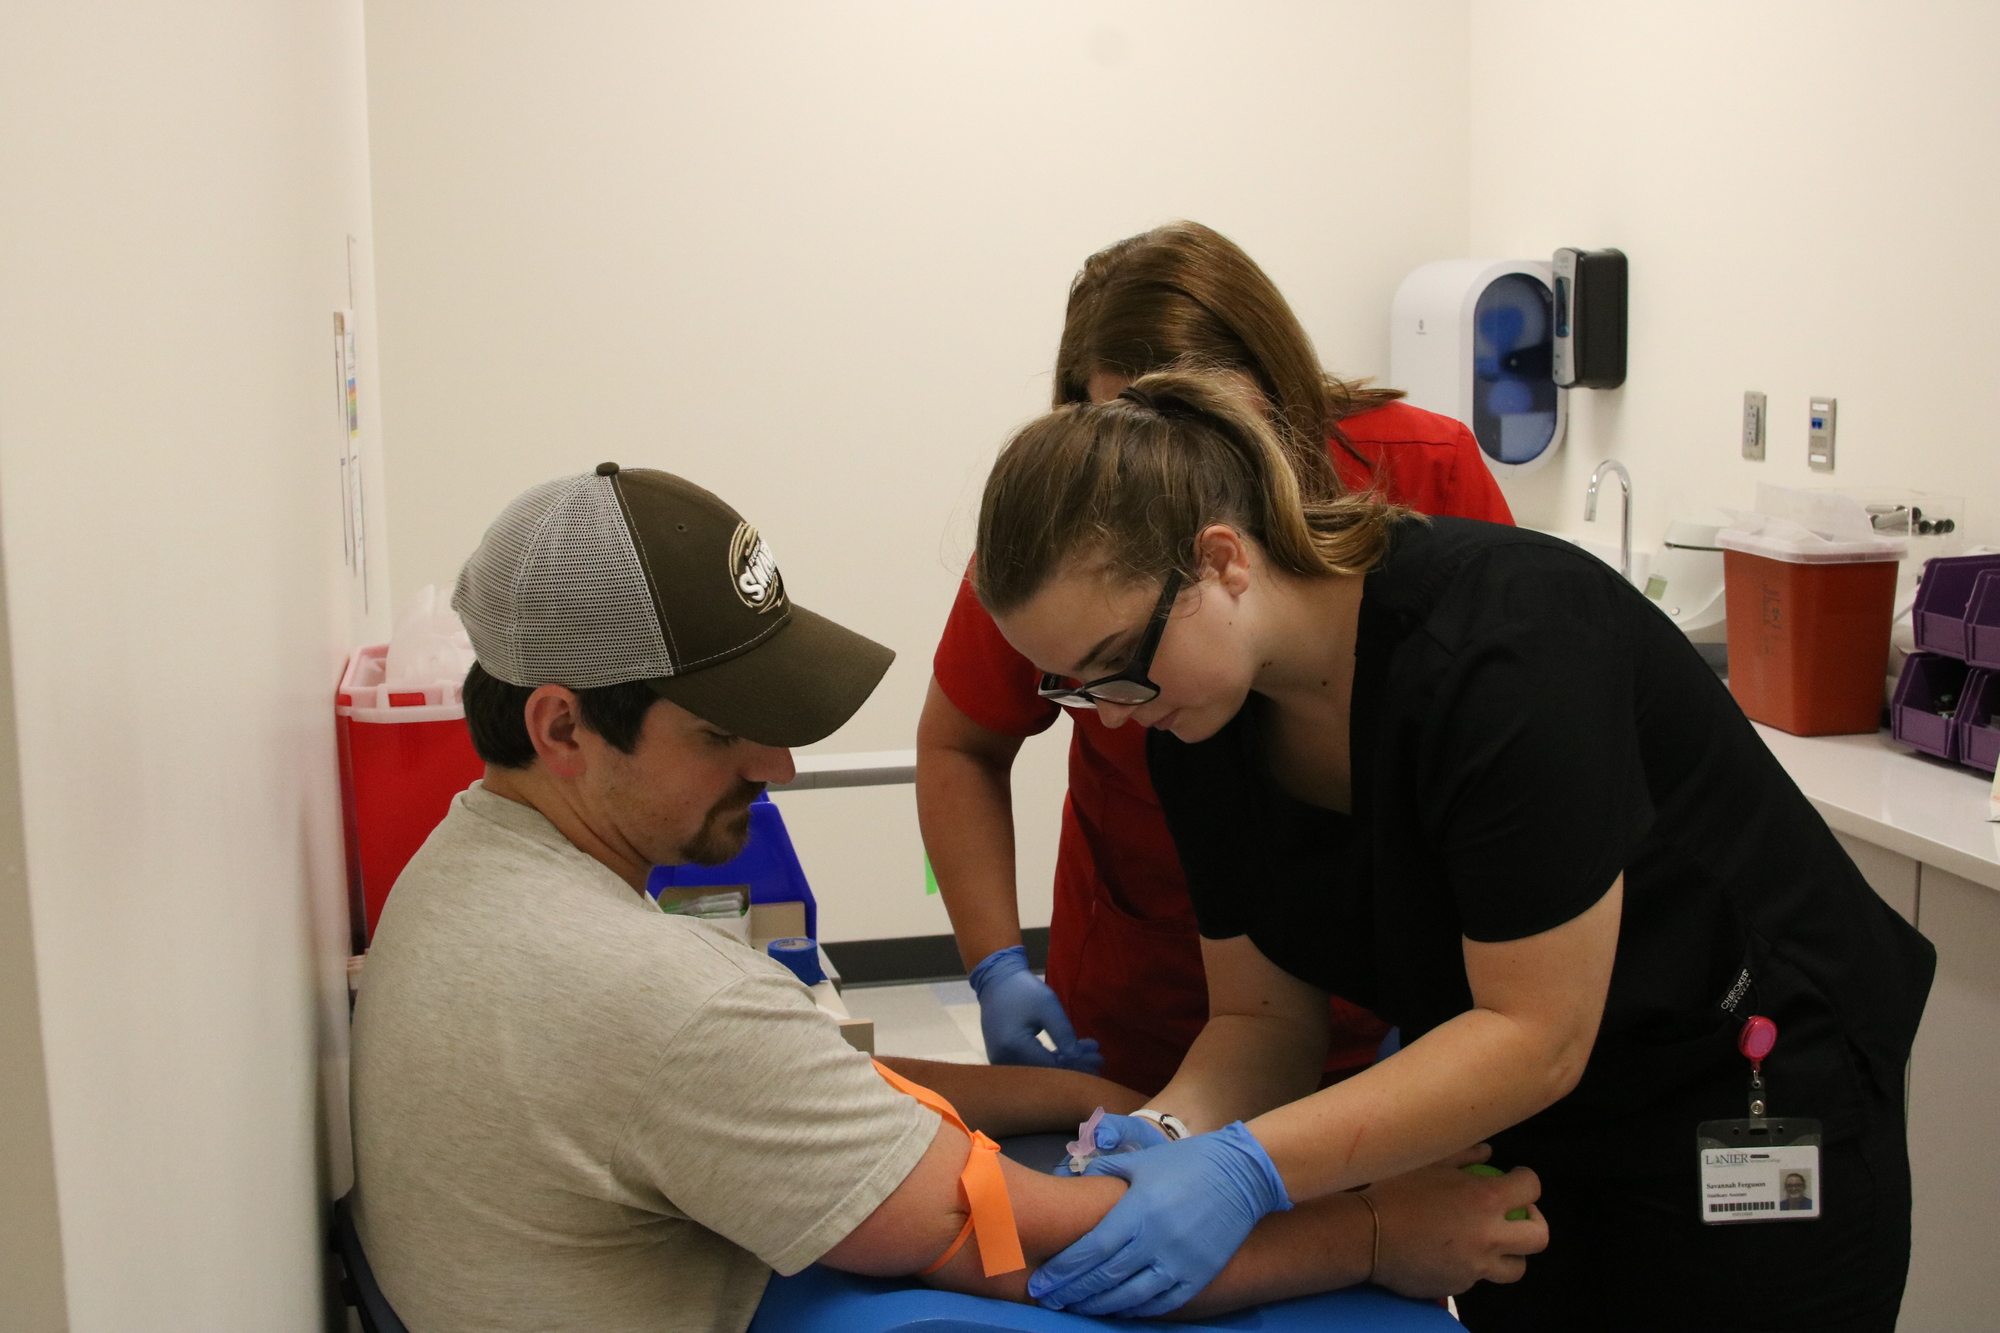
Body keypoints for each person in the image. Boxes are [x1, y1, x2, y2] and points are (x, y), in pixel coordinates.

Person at [347, 462, 1544, 1332]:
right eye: (725, 733)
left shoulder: (463, 873)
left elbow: (798, 1086)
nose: (775, 769)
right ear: (563, 726)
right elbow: (1011, 1234)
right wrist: (1379, 1235)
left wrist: (1079, 1091)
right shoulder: (651, 1000)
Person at [969, 369, 1936, 1331]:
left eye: (1115, 667)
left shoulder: (1508, 648)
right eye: (1073, 687)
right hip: (1528, 1127)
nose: (1109, 714)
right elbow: (1262, 1023)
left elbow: (1534, 1031)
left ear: (1221, 560)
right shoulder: (1200, 719)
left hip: (1747, 1094)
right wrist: (1169, 1133)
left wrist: (1249, 1168)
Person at [921, 219, 1515, 1094]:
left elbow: (1501, 763)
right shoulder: (1064, 543)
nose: (1173, 467)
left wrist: (1463, 1009)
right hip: (1154, 994)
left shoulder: (1422, 475)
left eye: (1200, 423)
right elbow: (960, 742)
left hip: (1399, 993)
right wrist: (998, 967)